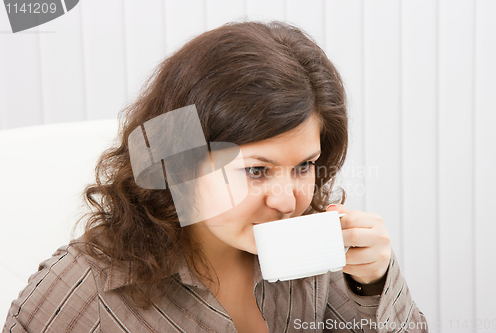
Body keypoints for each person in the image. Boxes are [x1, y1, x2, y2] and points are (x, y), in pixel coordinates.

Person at [3, 21, 428, 333]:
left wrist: (371, 283)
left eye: (303, 166)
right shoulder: (88, 290)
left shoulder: (311, 248)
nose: (288, 200)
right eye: (257, 171)